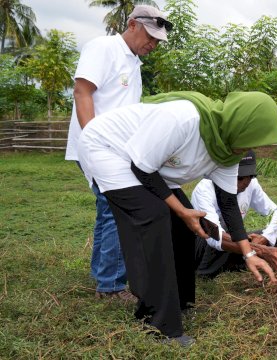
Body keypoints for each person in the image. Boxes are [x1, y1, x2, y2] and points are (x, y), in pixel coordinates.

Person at [77, 91, 277, 346]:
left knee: (185, 228)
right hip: (108, 149)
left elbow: (228, 203)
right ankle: (158, 324)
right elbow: (140, 168)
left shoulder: (228, 150)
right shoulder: (183, 119)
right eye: (249, 139)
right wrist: (181, 210)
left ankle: (180, 302)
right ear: (237, 124)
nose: (248, 148)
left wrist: (249, 253)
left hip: (146, 164)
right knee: (153, 218)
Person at [64, 5, 170, 301]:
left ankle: (105, 275)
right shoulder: (104, 48)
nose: (153, 44)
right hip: (97, 146)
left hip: (118, 150)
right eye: (150, 36)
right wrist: (92, 141)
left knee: (110, 210)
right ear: (132, 24)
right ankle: (110, 285)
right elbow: (82, 92)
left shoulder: (134, 63)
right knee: (115, 210)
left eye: (157, 41)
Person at [192, 150, 277, 278]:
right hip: (203, 243)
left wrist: (265, 237)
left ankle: (237, 262)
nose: (245, 183)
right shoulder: (204, 190)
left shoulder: (251, 185)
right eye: (239, 178)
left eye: (250, 176)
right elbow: (214, 235)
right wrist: (259, 249)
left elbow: (273, 211)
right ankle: (206, 271)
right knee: (227, 226)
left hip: (236, 240)